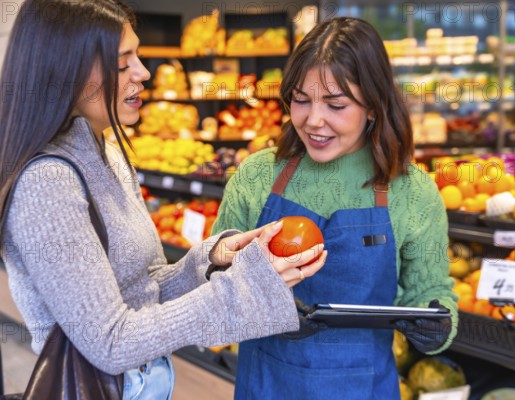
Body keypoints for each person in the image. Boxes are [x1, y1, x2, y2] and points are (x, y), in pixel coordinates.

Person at [0, 1, 325, 399]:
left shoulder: (110, 155)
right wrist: (243, 290)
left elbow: (145, 288)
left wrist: (212, 260)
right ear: (65, 71)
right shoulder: (47, 183)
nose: (144, 72)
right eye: (123, 64)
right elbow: (111, 342)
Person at [212, 17, 458, 399]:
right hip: (267, 385)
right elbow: (213, 280)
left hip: (364, 388)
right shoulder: (258, 176)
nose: (313, 121)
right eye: (300, 99)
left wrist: (437, 324)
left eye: (336, 104)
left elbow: (430, 289)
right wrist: (262, 304)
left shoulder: (412, 192)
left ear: (373, 106)